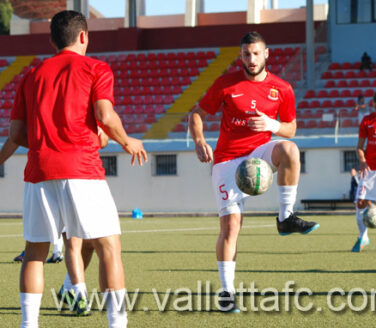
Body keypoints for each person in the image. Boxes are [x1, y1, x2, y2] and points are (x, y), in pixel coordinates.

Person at [10, 10, 147, 328]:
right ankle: (117, 324)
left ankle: (28, 325)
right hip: (81, 168)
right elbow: (105, 113)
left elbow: (17, 134)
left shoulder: (31, 75)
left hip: (39, 171)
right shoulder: (96, 67)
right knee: (108, 246)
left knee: (35, 253)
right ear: (83, 36)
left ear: (52, 39)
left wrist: (49, 142)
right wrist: (127, 141)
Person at [188, 31, 319, 312]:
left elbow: (291, 128)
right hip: (227, 160)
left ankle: (285, 217)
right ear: (241, 56)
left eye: (256, 53)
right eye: (246, 54)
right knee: (231, 226)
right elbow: (196, 114)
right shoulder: (226, 83)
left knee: (290, 149)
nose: (251, 59)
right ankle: (226, 293)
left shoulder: (282, 88)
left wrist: (272, 126)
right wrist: (199, 140)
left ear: (266, 53)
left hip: (259, 154)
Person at [352, 94, 376, 252]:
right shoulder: (367, 121)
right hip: (370, 170)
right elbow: (360, 147)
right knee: (359, 203)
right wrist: (362, 160)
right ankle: (363, 237)